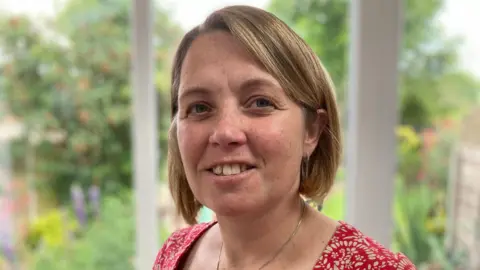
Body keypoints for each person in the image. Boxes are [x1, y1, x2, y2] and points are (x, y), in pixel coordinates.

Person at [153, 5, 416, 270]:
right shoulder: (174, 253)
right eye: (199, 107)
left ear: (312, 129)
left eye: (260, 102)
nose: (225, 132)